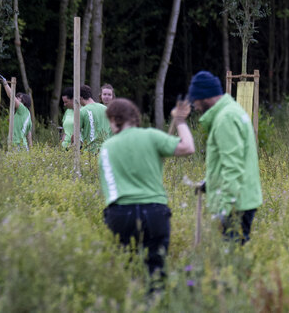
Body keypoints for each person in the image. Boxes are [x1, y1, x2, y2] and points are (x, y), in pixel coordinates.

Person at [99, 97, 194, 285]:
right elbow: (188, 147)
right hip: (154, 211)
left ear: (115, 119)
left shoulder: (106, 148)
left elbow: (109, 188)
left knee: (127, 269)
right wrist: (180, 121)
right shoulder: (152, 136)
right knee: (156, 270)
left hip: (120, 213)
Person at [187, 70, 263, 243]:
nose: (195, 107)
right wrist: (210, 183)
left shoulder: (225, 119)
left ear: (206, 97)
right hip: (241, 197)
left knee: (231, 259)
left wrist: (225, 208)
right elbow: (234, 158)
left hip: (236, 204)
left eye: (196, 101)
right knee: (234, 258)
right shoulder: (233, 110)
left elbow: (233, 166)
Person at [0, 74, 33, 151]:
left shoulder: (22, 109)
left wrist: (4, 82)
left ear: (24, 102)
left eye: (19, 98)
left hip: (17, 145)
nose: (17, 99)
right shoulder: (27, 115)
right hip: (23, 146)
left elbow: (11, 95)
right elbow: (29, 136)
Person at [79, 84, 111, 152]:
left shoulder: (82, 111)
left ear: (80, 97)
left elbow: (76, 133)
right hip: (106, 150)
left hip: (90, 152)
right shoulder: (106, 109)